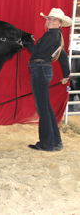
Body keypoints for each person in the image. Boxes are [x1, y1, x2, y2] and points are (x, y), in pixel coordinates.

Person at [27, 8, 72, 152]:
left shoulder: (52, 35)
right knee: (46, 108)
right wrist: (66, 74)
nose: (50, 21)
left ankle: (46, 143)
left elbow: (35, 50)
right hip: (43, 70)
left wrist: (26, 41)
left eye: (54, 19)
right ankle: (56, 142)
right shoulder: (56, 36)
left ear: (60, 23)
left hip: (40, 70)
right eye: (49, 18)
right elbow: (63, 55)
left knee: (43, 109)